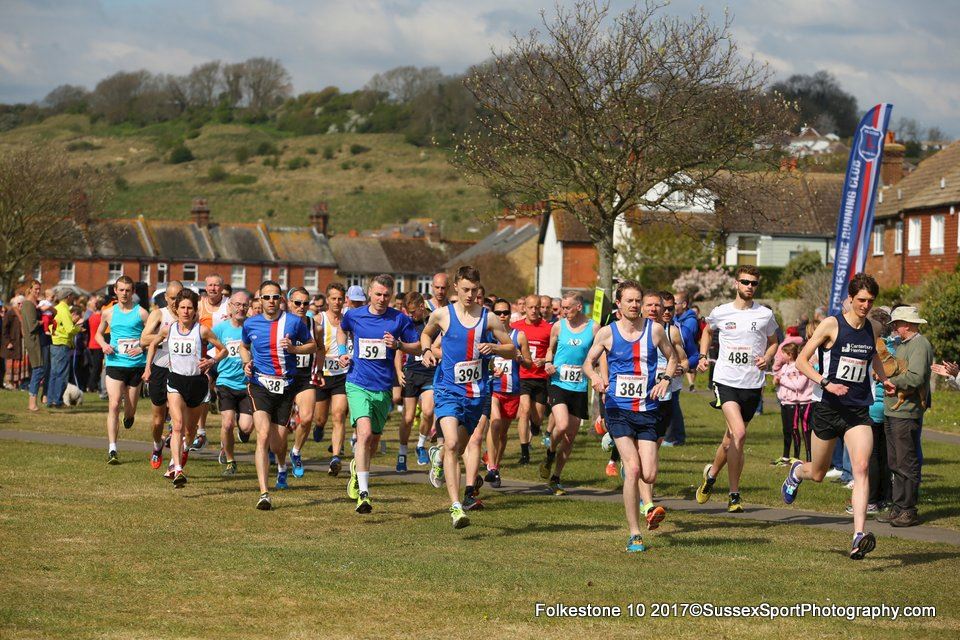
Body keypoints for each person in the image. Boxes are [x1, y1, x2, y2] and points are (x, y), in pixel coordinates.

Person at [781, 273, 895, 560]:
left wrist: (883, 379)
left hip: (858, 410)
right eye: (861, 300)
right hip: (829, 408)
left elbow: (874, 357)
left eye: (870, 301)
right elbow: (801, 360)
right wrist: (825, 383)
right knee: (817, 473)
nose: (866, 306)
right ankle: (796, 472)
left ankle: (858, 535)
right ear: (851, 298)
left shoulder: (871, 329)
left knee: (861, 467)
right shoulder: (832, 324)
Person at [583, 280, 678, 553]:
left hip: (647, 409)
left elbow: (672, 359)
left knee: (648, 474)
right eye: (630, 301)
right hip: (618, 409)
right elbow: (587, 364)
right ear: (619, 304)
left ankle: (629, 469)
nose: (635, 305)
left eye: (638, 300)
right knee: (634, 469)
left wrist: (665, 379)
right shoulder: (606, 333)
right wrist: (597, 378)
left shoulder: (656, 330)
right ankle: (634, 534)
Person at [421, 266, 516, 528]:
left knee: (458, 447)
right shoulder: (442, 314)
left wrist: (496, 347)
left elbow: (512, 350)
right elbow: (426, 333)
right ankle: (456, 507)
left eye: (474, 290)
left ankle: (438, 459)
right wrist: (427, 349)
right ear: (456, 288)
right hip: (448, 390)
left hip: (476, 394)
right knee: (452, 443)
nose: (470, 295)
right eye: (465, 290)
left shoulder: (489, 318)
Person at [694, 266, 779, 512]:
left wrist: (768, 357)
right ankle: (734, 495)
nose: (750, 286)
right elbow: (707, 332)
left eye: (754, 283)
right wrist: (702, 355)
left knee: (730, 440)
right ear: (736, 283)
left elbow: (774, 342)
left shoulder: (764, 314)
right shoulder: (721, 312)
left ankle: (711, 475)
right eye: (745, 282)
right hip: (725, 381)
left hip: (752, 384)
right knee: (739, 433)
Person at [338, 274, 420, 514]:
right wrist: (343, 351)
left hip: (383, 387)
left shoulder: (399, 320)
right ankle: (364, 493)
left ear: (392, 296)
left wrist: (399, 346)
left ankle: (357, 467)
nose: (382, 299)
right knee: (362, 434)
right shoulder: (354, 315)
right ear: (369, 293)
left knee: (373, 440)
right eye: (378, 294)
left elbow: (417, 346)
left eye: (386, 295)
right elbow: (343, 331)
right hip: (357, 382)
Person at [240, 280, 315, 510]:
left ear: (281, 300)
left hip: (285, 386)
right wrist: (246, 363)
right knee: (262, 435)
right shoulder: (250, 323)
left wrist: (294, 349)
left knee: (278, 442)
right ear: (259, 300)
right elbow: (244, 346)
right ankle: (264, 493)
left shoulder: (293, 322)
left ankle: (282, 465)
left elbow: (313, 345)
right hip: (260, 384)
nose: (271, 301)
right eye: (266, 297)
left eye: (275, 297)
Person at [145, 288, 227, 487]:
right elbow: (153, 343)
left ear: (195, 309)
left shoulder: (202, 330)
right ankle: (177, 468)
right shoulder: (168, 329)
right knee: (178, 425)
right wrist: (148, 367)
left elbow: (223, 349)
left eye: (190, 307)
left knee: (189, 432)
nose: (186, 311)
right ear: (176, 308)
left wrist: (212, 361)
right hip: (175, 382)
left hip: (197, 383)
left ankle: (183, 452)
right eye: (182, 307)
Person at [876, 306, 934, 527]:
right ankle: (898, 507)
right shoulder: (903, 344)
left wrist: (893, 382)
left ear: (907, 325)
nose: (894, 327)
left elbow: (917, 376)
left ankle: (909, 510)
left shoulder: (920, 344)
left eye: (897, 323)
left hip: (906, 413)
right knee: (895, 462)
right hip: (893, 411)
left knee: (906, 462)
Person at [540, 292, 597, 495]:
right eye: (562, 308)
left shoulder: (593, 328)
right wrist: (548, 362)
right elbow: (550, 348)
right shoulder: (558, 325)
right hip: (557, 382)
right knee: (562, 424)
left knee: (571, 435)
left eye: (567, 308)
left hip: (579, 386)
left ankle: (556, 477)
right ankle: (550, 450)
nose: (564, 311)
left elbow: (599, 354)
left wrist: (599, 375)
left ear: (579, 307)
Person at [96, 276, 149, 464]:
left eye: (128, 290)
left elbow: (152, 336)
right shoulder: (108, 313)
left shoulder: (142, 313)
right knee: (114, 403)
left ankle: (130, 416)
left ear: (132, 292)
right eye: (121, 290)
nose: (124, 293)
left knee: (130, 409)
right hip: (115, 363)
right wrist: (103, 345)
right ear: (115, 291)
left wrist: (141, 347)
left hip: (135, 365)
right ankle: (112, 449)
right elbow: (98, 334)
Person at [486, 299, 532, 488]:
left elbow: (529, 363)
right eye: (498, 313)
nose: (502, 316)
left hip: (512, 391)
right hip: (493, 389)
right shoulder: (488, 336)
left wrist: (520, 358)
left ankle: (496, 464)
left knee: (503, 433)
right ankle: (491, 468)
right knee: (494, 425)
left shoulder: (519, 336)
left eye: (505, 312)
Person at [280, 287, 321, 485]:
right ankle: (278, 461)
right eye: (297, 303)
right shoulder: (280, 324)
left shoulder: (315, 325)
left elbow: (319, 348)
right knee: (280, 426)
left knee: (306, 419)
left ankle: (295, 452)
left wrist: (319, 370)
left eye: (305, 303)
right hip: (283, 377)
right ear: (289, 303)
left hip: (305, 377)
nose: (302, 307)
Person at [140, 281, 183, 470]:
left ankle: (175, 461)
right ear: (166, 297)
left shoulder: (189, 315)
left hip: (180, 370)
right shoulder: (159, 314)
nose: (175, 302)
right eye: (172, 298)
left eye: (179, 297)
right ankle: (157, 445)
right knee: (158, 420)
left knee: (177, 417)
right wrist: (166, 335)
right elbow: (143, 339)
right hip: (160, 368)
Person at [213, 291, 254, 476]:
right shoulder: (221, 329)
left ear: (249, 307)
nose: (241, 308)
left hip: (247, 385)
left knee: (246, 427)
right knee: (227, 424)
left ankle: (242, 432)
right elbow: (204, 345)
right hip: (226, 383)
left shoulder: (252, 327)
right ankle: (230, 460)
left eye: (244, 305)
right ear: (230, 306)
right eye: (237, 304)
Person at [396, 292, 436, 471]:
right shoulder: (406, 323)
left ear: (422, 306)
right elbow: (399, 349)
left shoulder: (433, 321)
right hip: (411, 372)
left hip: (430, 372)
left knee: (428, 411)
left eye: (413, 311)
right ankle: (402, 452)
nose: (410, 315)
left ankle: (420, 445)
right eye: (408, 312)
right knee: (408, 416)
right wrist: (398, 371)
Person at [313, 283, 350, 476]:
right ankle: (319, 427)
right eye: (333, 298)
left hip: (342, 376)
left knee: (339, 414)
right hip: (323, 374)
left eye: (340, 299)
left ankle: (336, 456)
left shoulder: (348, 320)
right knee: (320, 418)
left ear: (344, 300)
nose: (337, 302)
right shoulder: (318, 320)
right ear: (327, 299)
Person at [511, 294, 551, 464]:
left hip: (541, 377)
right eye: (531, 307)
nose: (534, 310)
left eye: (537, 307)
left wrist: (546, 360)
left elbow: (554, 350)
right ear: (524, 308)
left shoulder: (548, 328)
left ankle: (535, 427)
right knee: (525, 409)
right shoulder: (516, 327)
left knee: (537, 417)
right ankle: (524, 452)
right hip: (523, 376)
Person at [193, 274, 231, 450]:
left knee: (228, 393)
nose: (213, 288)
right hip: (207, 355)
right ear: (205, 287)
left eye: (217, 285)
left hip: (228, 355)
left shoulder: (229, 305)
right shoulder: (199, 305)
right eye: (210, 285)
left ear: (222, 287)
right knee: (203, 388)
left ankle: (230, 430)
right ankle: (201, 432)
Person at [666, 290, 700, 438]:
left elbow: (694, 356)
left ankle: (675, 437)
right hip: (649, 378)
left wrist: (685, 366)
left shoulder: (683, 330)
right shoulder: (645, 328)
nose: (667, 312)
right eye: (664, 308)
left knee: (672, 404)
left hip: (672, 379)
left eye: (671, 308)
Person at [773, 342, 813, 464]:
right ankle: (785, 456)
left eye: (783, 354)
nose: (780, 356)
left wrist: (782, 380)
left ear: (790, 355)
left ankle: (798, 457)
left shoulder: (798, 367)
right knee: (786, 430)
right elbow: (778, 377)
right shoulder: (785, 367)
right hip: (784, 402)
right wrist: (777, 381)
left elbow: (797, 385)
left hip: (793, 403)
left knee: (796, 430)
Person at [22, 281, 44, 412]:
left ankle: (33, 402)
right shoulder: (29, 304)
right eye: (35, 289)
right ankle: (32, 403)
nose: (37, 291)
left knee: (38, 369)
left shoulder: (29, 304)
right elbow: (32, 325)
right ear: (30, 289)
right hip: (33, 340)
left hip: (33, 340)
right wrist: (43, 321)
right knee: (38, 369)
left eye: (39, 289)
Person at [2, 295, 24, 390]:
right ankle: (9, 383)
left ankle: (16, 384)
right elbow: (4, 329)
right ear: (19, 304)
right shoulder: (10, 313)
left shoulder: (21, 313)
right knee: (11, 364)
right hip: (11, 342)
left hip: (18, 342)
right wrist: (7, 342)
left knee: (17, 364)